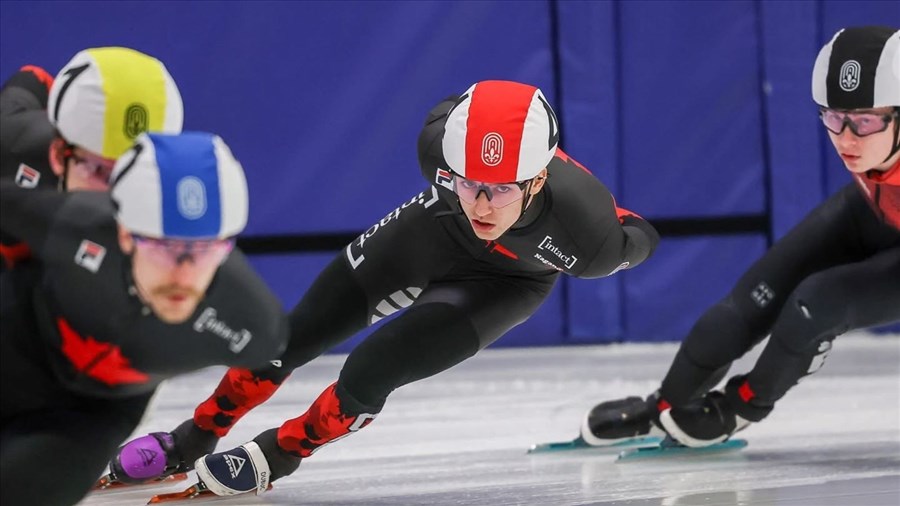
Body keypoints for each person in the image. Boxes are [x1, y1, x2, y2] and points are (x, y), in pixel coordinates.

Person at [108, 79, 661, 498]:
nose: (482, 206)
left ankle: (280, 453)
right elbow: (460, 123)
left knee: (373, 368)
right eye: (467, 183)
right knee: (291, 337)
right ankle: (193, 437)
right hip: (427, 235)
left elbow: (640, 234)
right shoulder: (437, 146)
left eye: (499, 190)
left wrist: (621, 230)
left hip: (506, 282)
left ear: (539, 179)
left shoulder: (588, 242)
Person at [580, 25, 900, 450]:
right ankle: (665, 406)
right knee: (754, 297)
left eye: (864, 121)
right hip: (876, 210)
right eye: (833, 117)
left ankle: (740, 407)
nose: (845, 139)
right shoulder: (874, 140)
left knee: (819, 302)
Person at [0, 131, 289, 506]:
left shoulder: (253, 327)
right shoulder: (76, 225)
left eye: (206, 249)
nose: (183, 274)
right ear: (124, 234)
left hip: (92, 415)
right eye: (162, 247)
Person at [0, 46, 183, 270]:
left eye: (136, 174)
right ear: (58, 155)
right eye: (102, 171)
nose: (118, 195)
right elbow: (32, 79)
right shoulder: (11, 143)